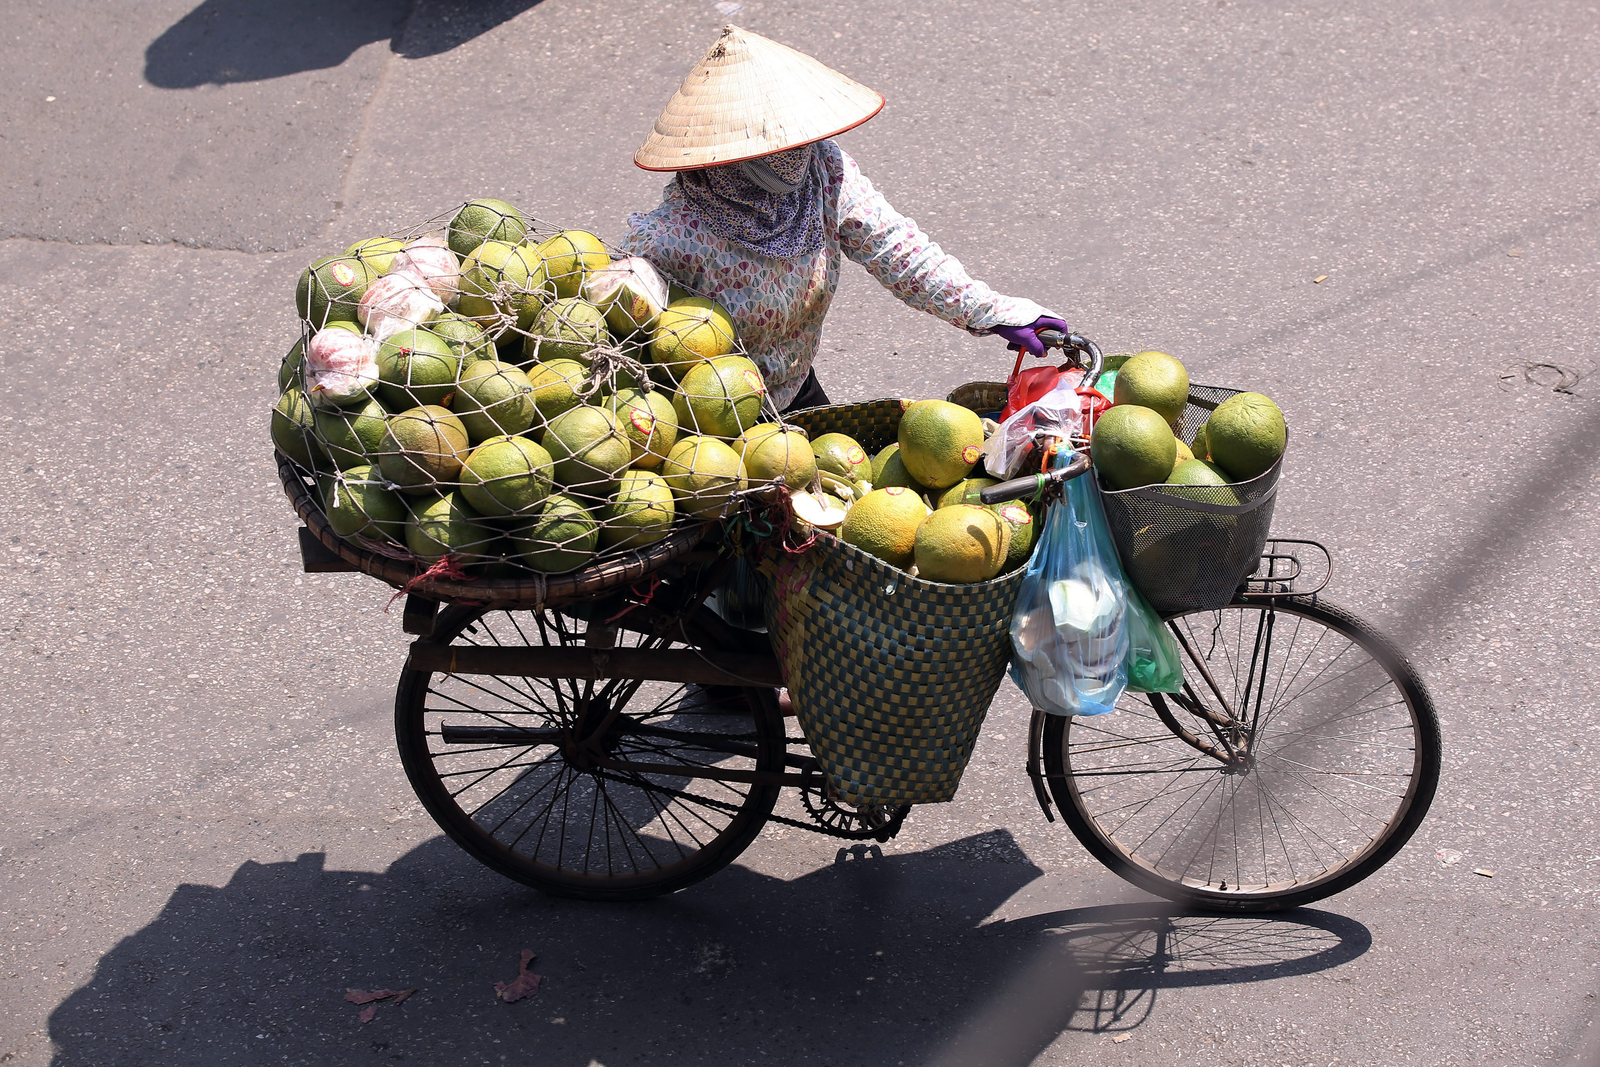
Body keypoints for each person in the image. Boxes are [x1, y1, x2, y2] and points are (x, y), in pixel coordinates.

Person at [622, 25, 1068, 413]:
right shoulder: (669, 239)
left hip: (798, 391)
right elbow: (633, 348)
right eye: (771, 146)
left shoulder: (824, 171)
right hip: (712, 420)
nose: (793, 157)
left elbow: (898, 250)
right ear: (724, 155)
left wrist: (994, 312)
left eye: (796, 138)